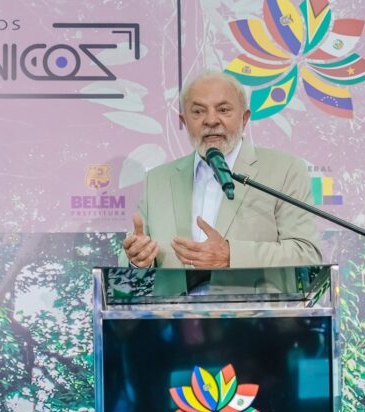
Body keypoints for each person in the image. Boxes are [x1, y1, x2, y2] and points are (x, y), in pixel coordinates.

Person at [122, 71, 321, 269]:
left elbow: (306, 254)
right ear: (184, 122)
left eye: (224, 110)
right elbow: (129, 262)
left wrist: (231, 255)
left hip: (256, 300)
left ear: (245, 118)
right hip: (175, 301)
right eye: (198, 112)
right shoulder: (157, 179)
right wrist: (137, 260)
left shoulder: (284, 170)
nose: (211, 120)